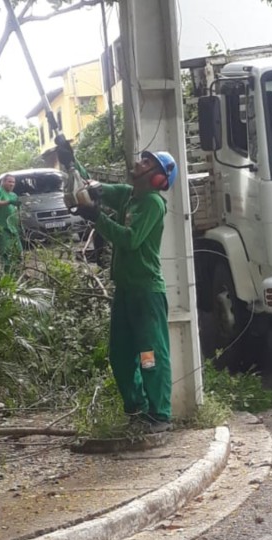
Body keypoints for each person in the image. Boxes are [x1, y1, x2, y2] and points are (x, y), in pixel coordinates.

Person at [74, 149, 177, 432]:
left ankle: (159, 414)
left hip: (146, 293)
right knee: (120, 354)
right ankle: (136, 410)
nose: (138, 163)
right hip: (125, 292)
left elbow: (130, 240)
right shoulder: (128, 195)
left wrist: (98, 218)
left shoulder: (153, 203)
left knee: (149, 355)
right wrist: (71, 158)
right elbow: (93, 187)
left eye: (147, 163)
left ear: (157, 178)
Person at [0, 174, 24, 275]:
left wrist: (20, 224)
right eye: (9, 181)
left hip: (13, 228)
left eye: (13, 182)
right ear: (3, 182)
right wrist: (9, 202)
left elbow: (17, 211)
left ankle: (18, 274)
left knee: (18, 252)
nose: (12, 184)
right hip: (2, 228)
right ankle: (9, 276)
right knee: (6, 253)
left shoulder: (14, 195)